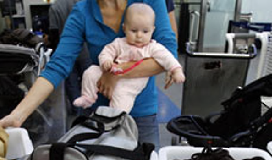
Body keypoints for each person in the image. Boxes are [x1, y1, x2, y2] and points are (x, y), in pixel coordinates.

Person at [0, 0, 178, 151]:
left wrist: (117, 72)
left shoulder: (149, 2)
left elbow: (168, 54)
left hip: (142, 113)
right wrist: (19, 114)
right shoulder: (83, 10)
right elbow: (58, 65)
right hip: (101, 115)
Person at [73, 3, 185, 113]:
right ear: (125, 28)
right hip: (109, 71)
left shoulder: (153, 47)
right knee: (90, 72)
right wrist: (106, 61)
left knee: (122, 97)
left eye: (145, 31)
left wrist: (176, 70)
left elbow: (167, 57)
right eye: (134, 30)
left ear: (152, 30)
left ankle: (114, 117)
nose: (139, 36)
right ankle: (88, 97)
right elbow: (107, 51)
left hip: (131, 83)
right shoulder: (120, 43)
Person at [48, 0, 93, 116]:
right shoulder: (84, 4)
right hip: (86, 51)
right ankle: (91, 112)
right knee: (89, 83)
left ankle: (78, 114)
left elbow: (53, 34)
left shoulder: (55, 7)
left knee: (72, 85)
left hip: (67, 54)